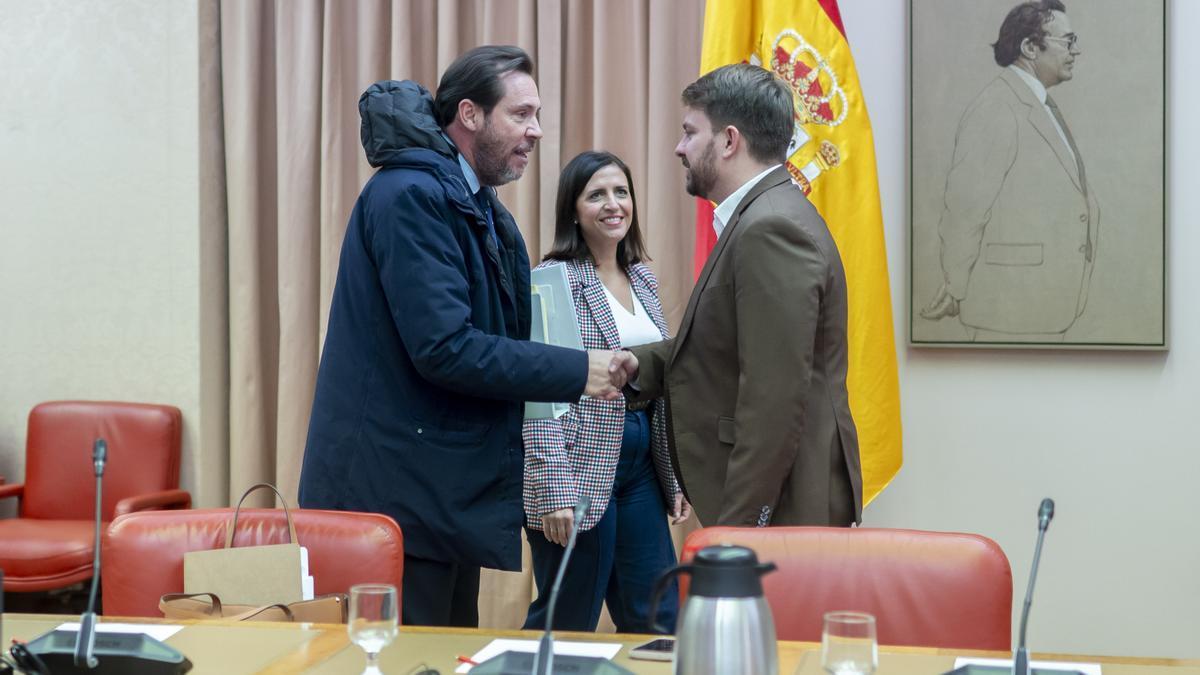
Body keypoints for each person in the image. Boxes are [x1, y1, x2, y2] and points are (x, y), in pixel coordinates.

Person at [297, 46, 633, 628]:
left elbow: (499, 335)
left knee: (442, 654)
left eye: (536, 115)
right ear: (471, 115)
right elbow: (445, 348)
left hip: (440, 490)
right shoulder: (411, 196)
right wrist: (580, 370)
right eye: (521, 115)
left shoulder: (473, 204)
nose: (537, 131)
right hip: (395, 498)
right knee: (402, 661)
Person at [619, 64, 862, 528]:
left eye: (690, 132)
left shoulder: (771, 228)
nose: (679, 147)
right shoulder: (763, 215)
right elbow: (732, 344)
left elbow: (773, 399)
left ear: (729, 141)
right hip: (780, 500)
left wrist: (741, 531)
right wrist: (638, 366)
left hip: (785, 510)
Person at [521, 151, 691, 634]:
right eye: (596, 195)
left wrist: (674, 478)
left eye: (621, 192)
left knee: (659, 619)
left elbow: (660, 386)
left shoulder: (643, 278)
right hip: (575, 466)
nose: (613, 204)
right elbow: (539, 394)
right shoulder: (552, 279)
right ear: (573, 210)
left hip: (640, 466)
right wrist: (553, 488)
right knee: (567, 617)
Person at [921, 0, 1097, 341]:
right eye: (1068, 41)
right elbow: (964, 209)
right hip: (1008, 311)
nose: (1076, 51)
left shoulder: (1035, 102)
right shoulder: (998, 107)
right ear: (1030, 47)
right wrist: (956, 285)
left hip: (1038, 306)